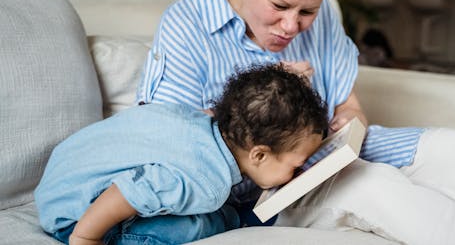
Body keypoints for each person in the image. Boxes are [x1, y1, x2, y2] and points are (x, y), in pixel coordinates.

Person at [137, 0, 455, 244]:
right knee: (374, 184)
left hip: (324, 158)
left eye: (307, 10)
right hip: (263, 194)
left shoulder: (322, 10)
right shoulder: (186, 27)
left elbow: (349, 104)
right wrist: (267, 95)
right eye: (279, 7)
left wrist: (350, 121)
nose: (292, 26)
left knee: (454, 147)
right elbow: (170, 143)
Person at [34, 64, 329, 245]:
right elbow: (125, 193)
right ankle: (238, 220)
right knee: (200, 225)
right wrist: (86, 238)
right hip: (76, 217)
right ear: (259, 155)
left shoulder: (195, 122)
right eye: (296, 165)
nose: (298, 172)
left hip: (61, 182)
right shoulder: (204, 180)